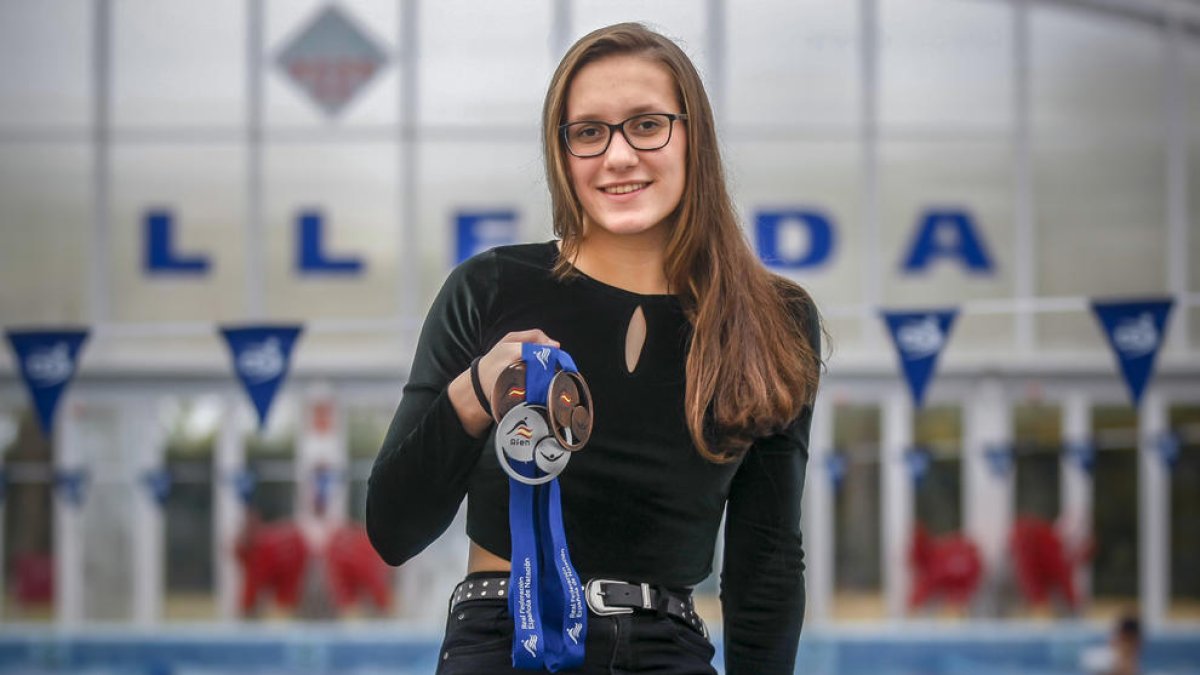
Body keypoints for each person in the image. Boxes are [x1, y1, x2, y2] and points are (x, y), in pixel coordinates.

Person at [367, 22, 822, 674]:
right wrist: (471, 393)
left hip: (670, 649)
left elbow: (768, 560)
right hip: (505, 639)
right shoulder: (489, 289)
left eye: (646, 124)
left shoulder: (771, 318)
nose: (618, 155)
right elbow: (393, 530)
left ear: (694, 135)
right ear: (563, 153)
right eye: (589, 132)